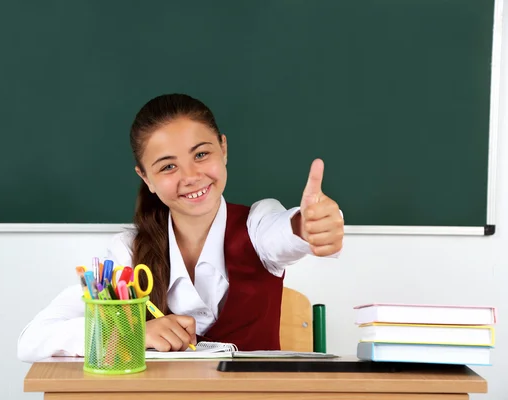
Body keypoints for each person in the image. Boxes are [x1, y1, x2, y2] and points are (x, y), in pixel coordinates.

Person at [17, 93, 344, 363]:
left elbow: (282, 233)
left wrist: (307, 226)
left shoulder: (257, 224)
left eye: (201, 154)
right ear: (146, 177)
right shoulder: (126, 253)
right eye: (168, 166)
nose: (191, 176)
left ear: (224, 149)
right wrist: (134, 333)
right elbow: (33, 339)